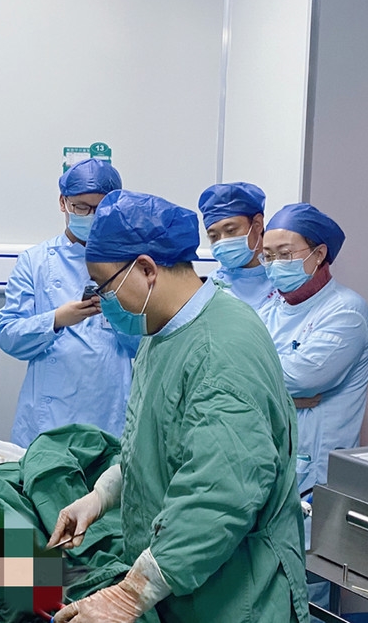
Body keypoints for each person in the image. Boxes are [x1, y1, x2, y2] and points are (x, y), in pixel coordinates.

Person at [48, 190, 309, 623]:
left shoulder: (221, 347)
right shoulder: (163, 332)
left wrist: (129, 596)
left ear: (146, 269)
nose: (102, 301)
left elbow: (220, 492)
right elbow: (155, 444)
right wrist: (100, 496)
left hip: (235, 595)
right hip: (184, 585)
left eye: (105, 286)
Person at [0, 158, 138, 447]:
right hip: (49, 419)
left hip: (110, 415)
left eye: (101, 209)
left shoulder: (132, 263)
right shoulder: (35, 262)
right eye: (81, 207)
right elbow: (8, 335)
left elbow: (147, 344)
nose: (91, 216)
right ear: (63, 203)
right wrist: (56, 319)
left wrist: (119, 316)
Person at [258, 203, 368, 507]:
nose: (274, 264)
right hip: (269, 453)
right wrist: (284, 397)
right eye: (268, 256)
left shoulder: (346, 311)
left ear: (319, 253)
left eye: (285, 254)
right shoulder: (270, 308)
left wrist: (268, 387)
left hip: (315, 467)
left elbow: (299, 378)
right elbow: (232, 366)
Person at [198, 181, 275, 310]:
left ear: (257, 224)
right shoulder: (210, 288)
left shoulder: (285, 278)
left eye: (231, 230)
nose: (223, 241)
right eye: (214, 236)